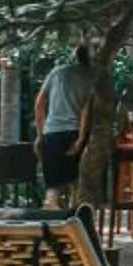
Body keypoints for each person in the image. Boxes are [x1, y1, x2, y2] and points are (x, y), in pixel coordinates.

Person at [34, 45, 94, 210]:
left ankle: (52, 218)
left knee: (53, 184)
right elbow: (86, 111)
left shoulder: (57, 72)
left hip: (51, 132)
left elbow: (39, 104)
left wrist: (40, 134)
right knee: (76, 181)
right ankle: (74, 221)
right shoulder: (92, 78)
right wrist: (81, 139)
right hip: (74, 131)